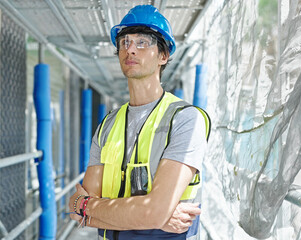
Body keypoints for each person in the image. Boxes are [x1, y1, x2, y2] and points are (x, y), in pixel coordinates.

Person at [69, 5, 211, 240]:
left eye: (142, 42)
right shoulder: (108, 125)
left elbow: (82, 206)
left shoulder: (185, 119)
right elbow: (75, 210)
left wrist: (87, 207)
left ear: (163, 56)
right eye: (124, 42)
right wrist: (152, 216)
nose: (130, 49)